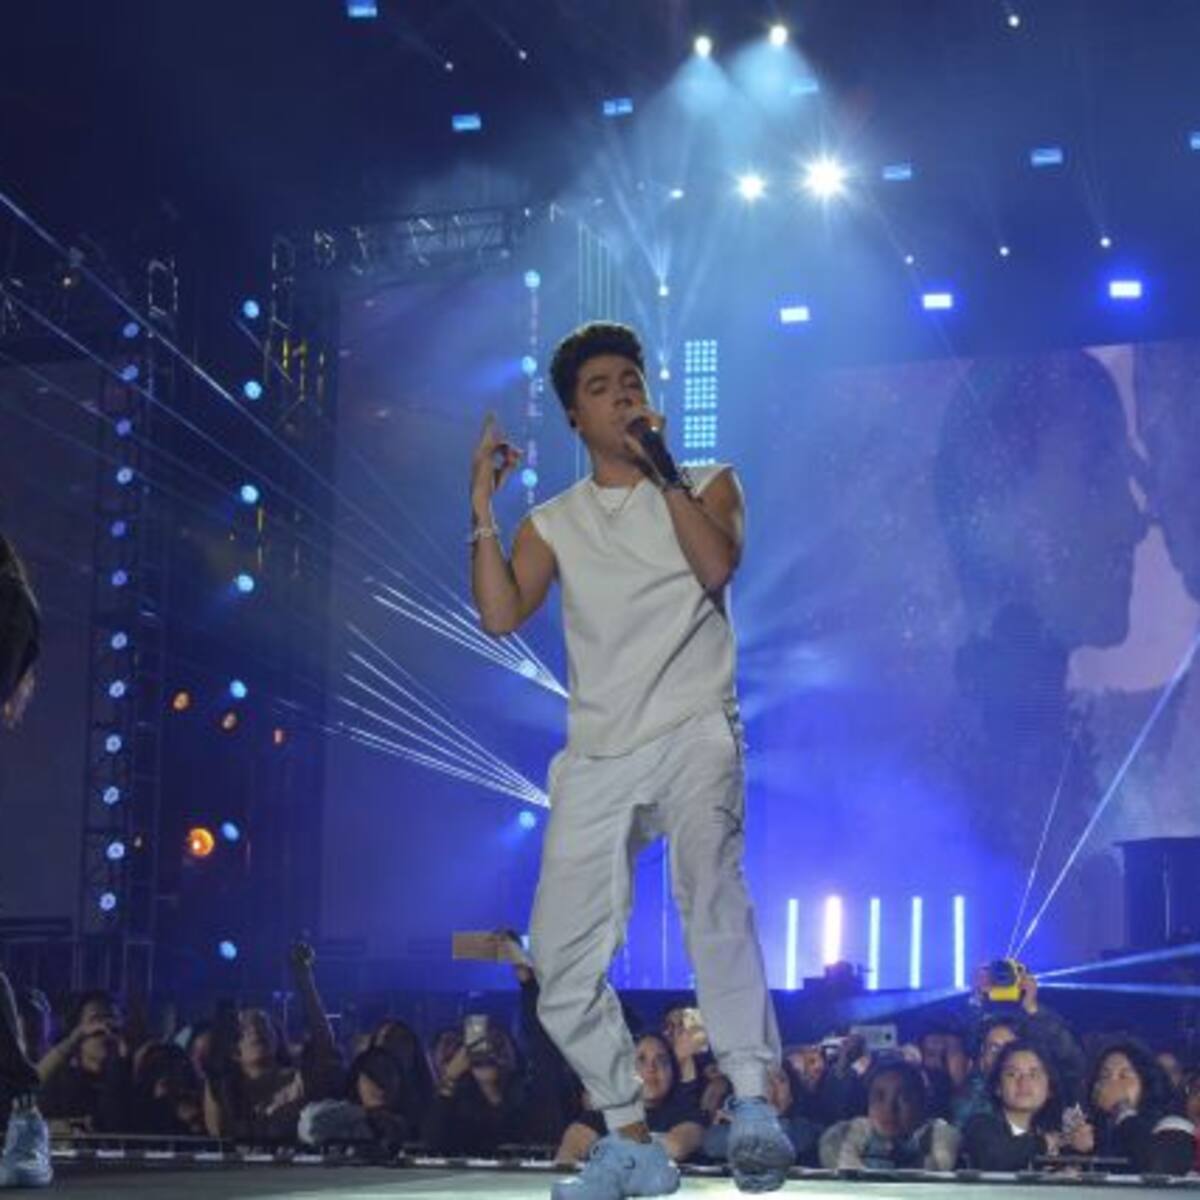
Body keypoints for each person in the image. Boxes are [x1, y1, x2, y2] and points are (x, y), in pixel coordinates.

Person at [469, 321, 792, 1198]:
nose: (622, 395)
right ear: (575, 417)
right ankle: (630, 1137)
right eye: (601, 387)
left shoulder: (710, 480)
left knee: (709, 887)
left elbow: (716, 566)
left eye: (631, 381)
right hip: (600, 750)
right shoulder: (555, 522)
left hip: (695, 726)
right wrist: (482, 509)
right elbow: (500, 615)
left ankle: (752, 1101)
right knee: (559, 961)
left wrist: (664, 468)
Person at [556, 1034, 706, 1167]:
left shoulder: (687, 1115)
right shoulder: (601, 1114)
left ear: (673, 1072)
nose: (651, 1068)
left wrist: (602, 1147)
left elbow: (675, 1147)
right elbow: (569, 1152)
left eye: (661, 1060)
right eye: (641, 1060)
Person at [959, 1040, 1087, 1170]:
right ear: (998, 1087)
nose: (1023, 1082)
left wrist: (1080, 1148)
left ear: (1049, 1088)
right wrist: (1047, 1143)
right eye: (1012, 1074)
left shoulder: (1049, 1131)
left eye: (1033, 1075)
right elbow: (996, 1157)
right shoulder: (980, 1127)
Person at [819, 1059, 960, 1171]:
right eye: (879, 1096)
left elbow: (937, 1167)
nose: (889, 1109)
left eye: (903, 1098)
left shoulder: (937, 1134)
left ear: (921, 1102)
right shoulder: (852, 1132)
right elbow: (834, 1152)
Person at [1082, 1039, 1195, 1175]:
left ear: (1145, 1082)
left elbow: (1158, 1166)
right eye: (1104, 1076)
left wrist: (1121, 1108)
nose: (1113, 1084)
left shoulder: (1172, 1124)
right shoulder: (1095, 1130)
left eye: (1124, 1076)